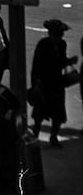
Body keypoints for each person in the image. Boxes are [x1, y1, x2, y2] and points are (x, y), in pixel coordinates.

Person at [29, 18, 78, 146]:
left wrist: (68, 61)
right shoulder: (43, 45)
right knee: (39, 114)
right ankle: (35, 136)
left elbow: (60, 62)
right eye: (58, 34)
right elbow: (37, 66)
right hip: (44, 82)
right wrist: (36, 84)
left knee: (58, 114)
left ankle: (54, 137)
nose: (60, 36)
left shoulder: (62, 44)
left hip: (56, 83)